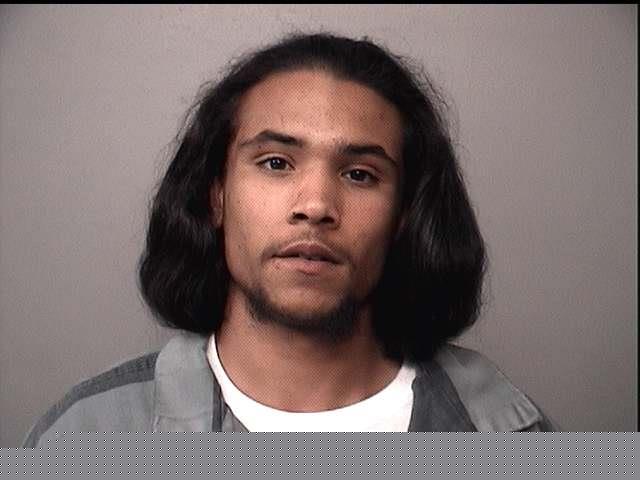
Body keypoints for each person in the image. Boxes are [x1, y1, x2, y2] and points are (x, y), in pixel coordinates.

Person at [23, 32, 556, 444]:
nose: (316, 205)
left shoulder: (513, 435)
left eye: (360, 174)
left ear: (403, 215)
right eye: (276, 163)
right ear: (216, 196)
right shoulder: (85, 439)